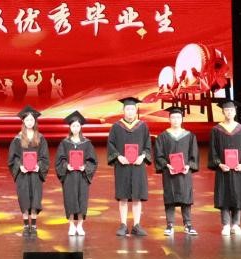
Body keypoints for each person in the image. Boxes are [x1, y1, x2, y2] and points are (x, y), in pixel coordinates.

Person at [107, 96, 152, 236]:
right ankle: (123, 225)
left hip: (138, 166)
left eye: (132, 109)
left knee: (137, 196)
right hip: (123, 166)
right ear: (123, 110)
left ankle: (137, 225)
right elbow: (111, 144)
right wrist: (118, 156)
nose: (130, 112)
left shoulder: (142, 126)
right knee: (123, 196)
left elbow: (148, 145)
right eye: (128, 109)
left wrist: (142, 156)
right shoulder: (116, 127)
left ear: (136, 110)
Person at [154, 105, 199, 236]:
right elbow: (158, 155)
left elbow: (194, 154)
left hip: (185, 172)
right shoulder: (163, 136)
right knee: (170, 197)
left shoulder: (189, 136)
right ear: (169, 119)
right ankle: (170, 225)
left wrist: (188, 166)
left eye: (178, 117)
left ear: (182, 119)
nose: (175, 120)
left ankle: (188, 224)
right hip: (169, 172)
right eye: (173, 117)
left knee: (186, 197)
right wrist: (166, 165)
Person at [209, 98, 241, 237]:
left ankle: (236, 225)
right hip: (223, 169)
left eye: (231, 110)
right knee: (224, 196)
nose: (229, 112)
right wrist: (219, 164)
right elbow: (213, 150)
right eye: (226, 110)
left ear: (235, 112)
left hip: (238, 170)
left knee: (237, 196)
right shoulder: (216, 130)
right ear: (223, 112)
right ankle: (226, 225)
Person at [54, 110, 97, 236]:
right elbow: (59, 160)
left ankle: (80, 226)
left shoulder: (87, 143)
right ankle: (72, 225)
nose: (75, 128)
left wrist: (85, 167)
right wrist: (66, 166)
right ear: (70, 127)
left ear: (81, 127)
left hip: (82, 176)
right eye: (73, 126)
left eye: (78, 126)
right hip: (69, 176)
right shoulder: (65, 143)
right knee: (70, 199)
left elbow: (93, 160)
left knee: (82, 200)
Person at [9, 105, 49, 234]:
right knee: (24, 198)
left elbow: (44, 157)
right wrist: (20, 166)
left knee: (35, 199)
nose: (30, 122)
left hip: (36, 174)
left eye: (32, 120)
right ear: (23, 121)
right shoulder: (17, 139)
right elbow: (12, 158)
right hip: (23, 175)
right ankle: (26, 225)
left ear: (35, 121)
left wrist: (39, 166)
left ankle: (34, 225)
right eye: (27, 120)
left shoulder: (41, 138)